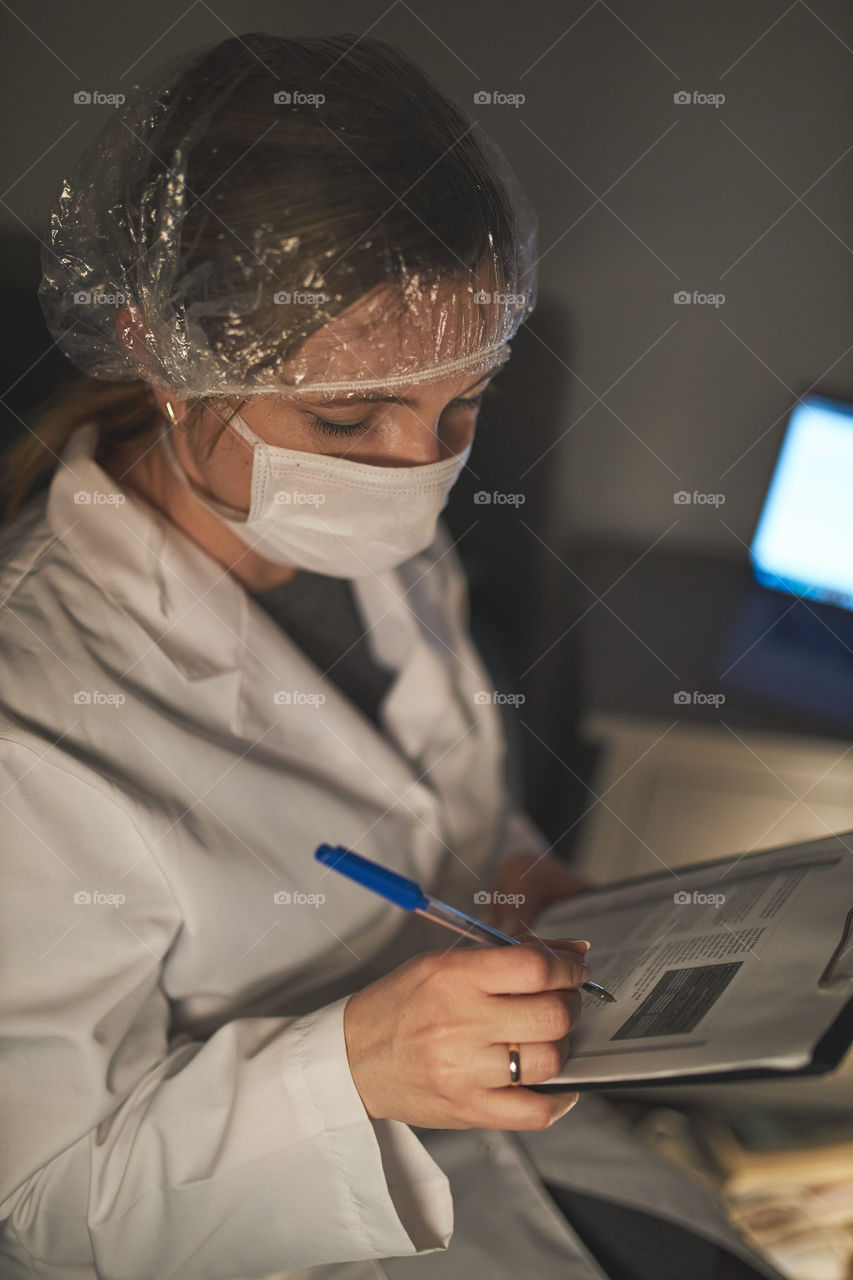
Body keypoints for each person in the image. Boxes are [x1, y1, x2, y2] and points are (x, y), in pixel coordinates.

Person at [0, 31, 786, 1280]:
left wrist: (526, 885)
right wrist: (350, 1064)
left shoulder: (384, 549)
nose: (415, 467)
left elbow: (454, 826)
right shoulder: (32, 711)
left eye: (460, 403)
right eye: (344, 416)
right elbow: (41, 1213)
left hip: (527, 1146)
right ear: (158, 348)